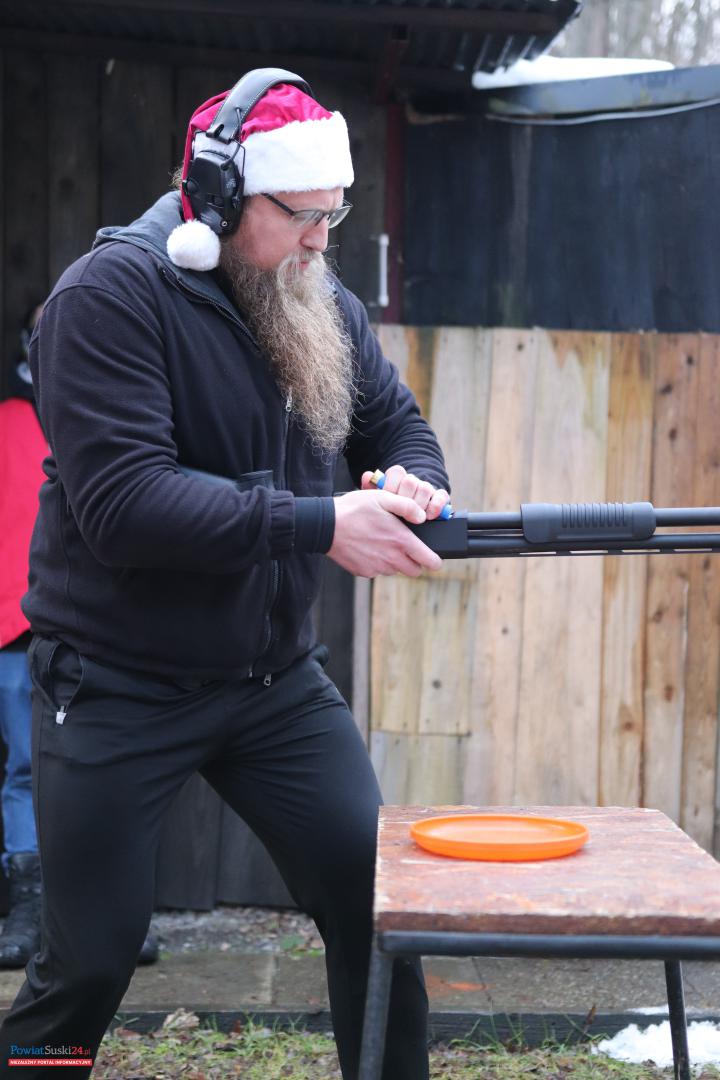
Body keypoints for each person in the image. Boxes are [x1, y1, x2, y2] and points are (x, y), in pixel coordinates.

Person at [0, 68, 449, 1079]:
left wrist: (413, 482)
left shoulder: (312, 294)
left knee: (379, 907)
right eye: (302, 216)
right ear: (215, 195)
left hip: (271, 682)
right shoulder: (106, 299)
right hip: (115, 683)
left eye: (334, 216)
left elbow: (395, 423)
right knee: (89, 962)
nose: (322, 242)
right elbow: (127, 507)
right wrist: (320, 522)